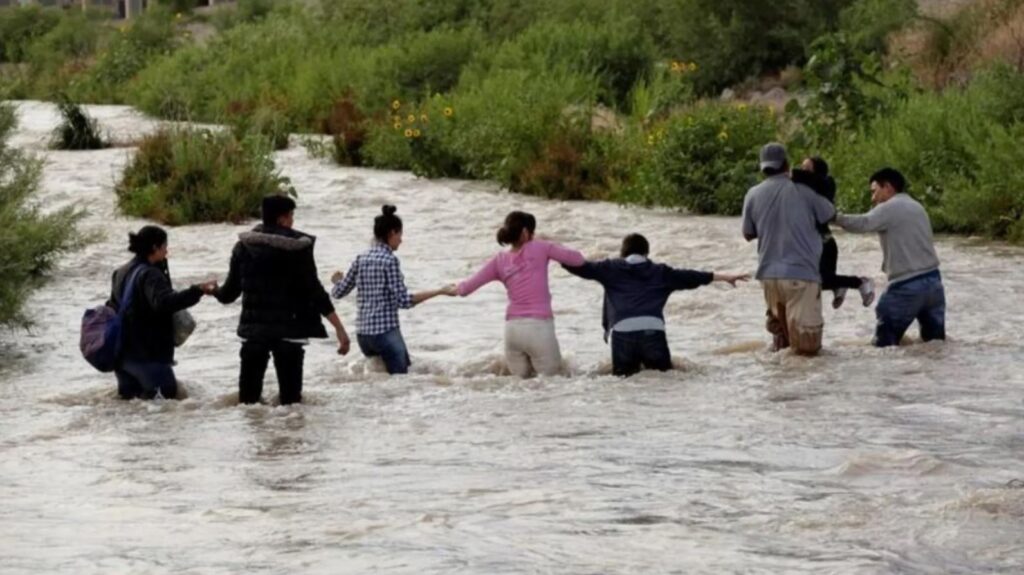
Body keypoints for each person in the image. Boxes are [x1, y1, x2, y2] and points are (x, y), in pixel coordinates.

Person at [215, 195, 351, 405]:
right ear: (281, 219)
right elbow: (315, 292)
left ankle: (249, 439)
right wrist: (339, 329)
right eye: (291, 216)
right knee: (292, 405)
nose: (292, 221)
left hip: (254, 336)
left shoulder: (243, 247)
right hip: (290, 335)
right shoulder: (299, 249)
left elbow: (229, 294)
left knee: (248, 405)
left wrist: (212, 290)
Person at [563, 233, 749, 376]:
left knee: (624, 382)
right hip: (653, 330)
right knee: (662, 377)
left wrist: (553, 255)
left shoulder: (610, 268)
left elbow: (582, 267)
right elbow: (692, 276)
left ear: (623, 252)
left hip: (623, 331)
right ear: (646, 253)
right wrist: (725, 277)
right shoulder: (661, 272)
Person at [446, 211, 585, 378]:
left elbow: (465, 289)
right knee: (552, 386)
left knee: (519, 389)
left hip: (512, 331)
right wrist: (551, 243)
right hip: (539, 328)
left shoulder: (499, 260)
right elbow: (578, 259)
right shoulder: (541, 247)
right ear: (526, 233)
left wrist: (445, 289)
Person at [330, 205, 452, 375]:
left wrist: (336, 281)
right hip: (385, 333)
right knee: (401, 382)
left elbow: (337, 292)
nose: (401, 240)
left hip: (363, 336)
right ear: (392, 233)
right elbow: (404, 301)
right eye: (400, 235)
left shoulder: (361, 258)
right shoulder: (389, 260)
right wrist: (440, 291)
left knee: (380, 382)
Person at [741, 142, 836, 355]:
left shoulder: (752, 194)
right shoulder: (804, 191)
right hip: (801, 277)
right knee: (806, 352)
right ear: (786, 164)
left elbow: (748, 233)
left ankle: (781, 388)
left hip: (768, 278)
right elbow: (829, 213)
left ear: (763, 167)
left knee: (781, 345)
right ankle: (808, 390)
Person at [833, 168, 945, 347]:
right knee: (934, 344)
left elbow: (863, 223)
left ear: (888, 187)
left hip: (906, 286)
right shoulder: (917, 206)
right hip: (934, 284)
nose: (873, 198)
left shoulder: (890, 207)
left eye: (874, 191)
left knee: (883, 347)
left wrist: (833, 217)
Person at [108, 225, 216, 400]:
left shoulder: (120, 272)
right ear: (155, 248)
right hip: (148, 356)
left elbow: (112, 306)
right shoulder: (151, 274)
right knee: (165, 405)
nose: (167, 252)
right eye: (165, 247)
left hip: (123, 357)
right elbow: (164, 303)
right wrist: (198, 290)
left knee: (132, 412)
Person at [791, 156, 875, 309]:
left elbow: (811, 181)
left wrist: (790, 175)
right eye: (801, 168)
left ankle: (860, 282)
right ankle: (839, 286)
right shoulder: (806, 189)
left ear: (817, 172)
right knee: (814, 281)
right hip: (819, 244)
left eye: (806, 169)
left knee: (819, 281)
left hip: (825, 245)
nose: (802, 172)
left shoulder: (823, 186)